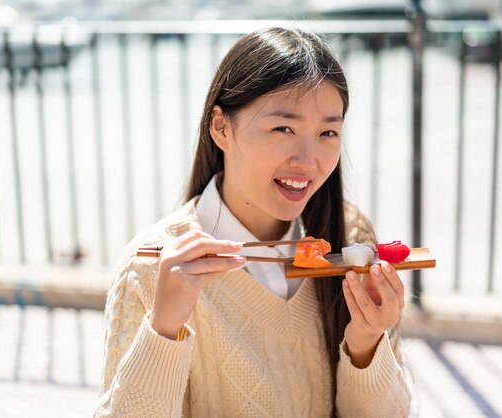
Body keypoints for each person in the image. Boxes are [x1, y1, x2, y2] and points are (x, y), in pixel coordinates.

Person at [94, 26, 410, 418]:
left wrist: (366, 343)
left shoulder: (349, 238)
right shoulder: (152, 268)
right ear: (221, 127)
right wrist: (163, 329)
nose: (308, 161)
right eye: (283, 129)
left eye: (328, 132)